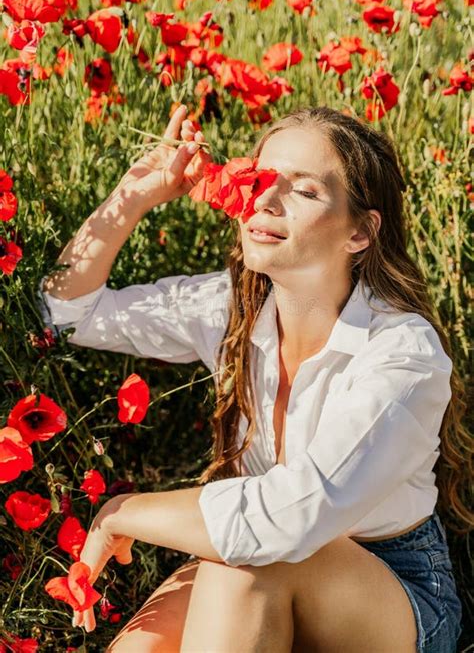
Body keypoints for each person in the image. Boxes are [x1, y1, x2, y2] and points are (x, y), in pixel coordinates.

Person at [38, 105, 467, 653]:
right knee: (142, 647)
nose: (264, 199)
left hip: (392, 592)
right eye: (260, 177)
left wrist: (123, 511)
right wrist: (135, 194)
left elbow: (291, 517)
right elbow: (65, 314)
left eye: (305, 191)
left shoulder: (402, 353)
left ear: (360, 232)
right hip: (260, 549)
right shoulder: (230, 306)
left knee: (241, 568)